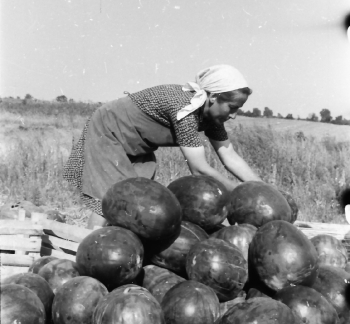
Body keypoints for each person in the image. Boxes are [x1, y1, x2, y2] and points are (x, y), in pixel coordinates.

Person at [63, 64, 262, 229]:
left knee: (136, 199)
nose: (234, 115)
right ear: (214, 97)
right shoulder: (186, 108)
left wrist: (264, 191)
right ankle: (88, 248)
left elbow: (230, 157)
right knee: (110, 197)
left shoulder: (212, 117)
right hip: (108, 130)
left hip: (137, 144)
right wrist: (241, 195)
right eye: (233, 107)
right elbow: (199, 168)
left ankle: (116, 241)